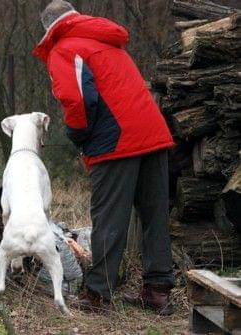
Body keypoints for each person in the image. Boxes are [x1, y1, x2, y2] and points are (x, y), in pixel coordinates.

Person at [33, 0, 175, 315]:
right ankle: (158, 291)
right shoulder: (105, 40)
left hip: (117, 141)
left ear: (49, 28)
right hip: (152, 132)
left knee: (110, 218)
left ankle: (97, 295)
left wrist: (78, 136)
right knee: (154, 216)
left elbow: (76, 99)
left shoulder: (64, 49)